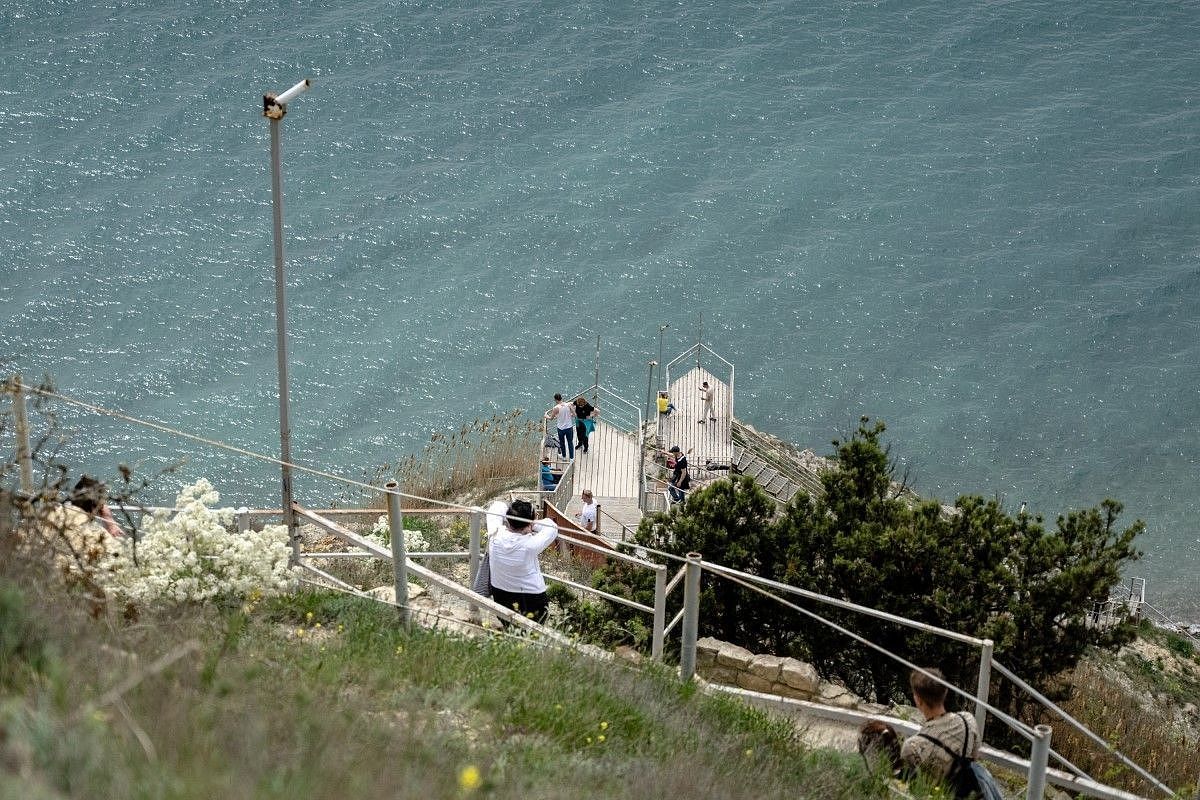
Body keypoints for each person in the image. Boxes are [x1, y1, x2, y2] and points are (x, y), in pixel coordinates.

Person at [900, 667, 980, 790]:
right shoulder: (968, 721)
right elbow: (973, 759)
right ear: (945, 692)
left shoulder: (912, 746)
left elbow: (911, 787)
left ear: (918, 700)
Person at [485, 498, 558, 624]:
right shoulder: (530, 544)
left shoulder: (495, 533)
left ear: (508, 519)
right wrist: (533, 524)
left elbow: (497, 506)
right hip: (532, 600)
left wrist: (515, 516)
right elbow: (551, 526)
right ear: (529, 522)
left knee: (511, 627)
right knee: (532, 633)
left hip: (501, 596)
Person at [546, 393, 575, 459]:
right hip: (569, 427)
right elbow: (574, 414)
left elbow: (551, 418)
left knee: (562, 442)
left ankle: (564, 456)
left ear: (555, 400)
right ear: (561, 398)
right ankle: (571, 458)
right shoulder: (569, 405)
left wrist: (546, 416)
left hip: (561, 428)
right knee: (570, 442)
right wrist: (568, 415)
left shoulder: (556, 408)